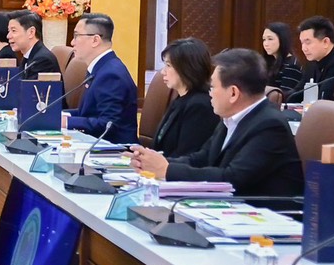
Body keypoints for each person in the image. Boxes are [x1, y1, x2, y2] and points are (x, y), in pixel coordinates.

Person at [129, 47, 303, 201]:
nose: (210, 93)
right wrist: (154, 162)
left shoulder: (270, 126)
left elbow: (232, 178)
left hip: (265, 216)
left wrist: (168, 170)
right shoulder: (230, 118)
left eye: (213, 87)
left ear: (233, 93)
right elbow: (202, 158)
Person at [64, 13, 138, 144]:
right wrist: (59, 116)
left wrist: (67, 122)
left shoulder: (111, 74)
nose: (72, 42)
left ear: (95, 40)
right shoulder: (101, 67)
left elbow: (108, 124)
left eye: (76, 36)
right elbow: (88, 113)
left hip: (116, 150)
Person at [144, 37, 217, 158]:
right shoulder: (180, 99)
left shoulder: (200, 106)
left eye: (168, 65)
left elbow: (187, 153)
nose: (163, 72)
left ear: (187, 68)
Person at [298, 16, 334, 101]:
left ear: (325, 42)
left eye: (308, 42)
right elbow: (298, 92)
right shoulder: (312, 63)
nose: (303, 48)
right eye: (302, 43)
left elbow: (326, 97)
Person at [6, 10, 59, 78]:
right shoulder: (28, 56)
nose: (8, 36)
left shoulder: (43, 61)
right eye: (9, 31)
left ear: (31, 32)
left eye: (13, 31)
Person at [261, 21, 304, 97]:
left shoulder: (291, 65)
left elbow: (284, 96)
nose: (266, 44)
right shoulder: (270, 62)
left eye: (270, 39)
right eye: (264, 39)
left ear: (282, 39)